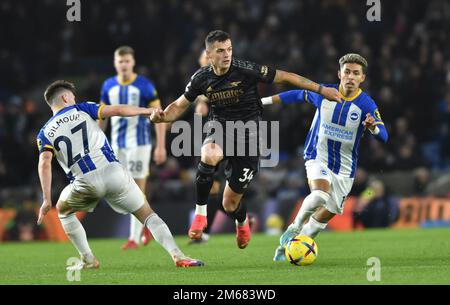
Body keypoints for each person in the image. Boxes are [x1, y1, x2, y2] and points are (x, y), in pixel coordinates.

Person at [150, 30, 341, 250]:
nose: (226, 54)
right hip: (220, 129)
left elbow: (286, 76)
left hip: (249, 138)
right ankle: (200, 215)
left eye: (229, 49)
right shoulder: (201, 78)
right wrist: (161, 116)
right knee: (208, 153)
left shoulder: (245, 70)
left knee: (229, 204)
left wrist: (320, 89)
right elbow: (178, 106)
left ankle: (242, 222)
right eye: (221, 51)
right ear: (209, 54)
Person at [36, 80, 203, 269]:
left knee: (64, 211)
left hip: (85, 183)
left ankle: (89, 259)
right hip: (114, 173)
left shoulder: (44, 134)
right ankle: (178, 256)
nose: (74, 100)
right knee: (147, 214)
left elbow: (44, 163)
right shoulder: (83, 109)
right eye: (72, 97)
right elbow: (119, 110)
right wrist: (148, 111)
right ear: (66, 97)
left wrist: (46, 199)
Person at [261, 53, 389, 261]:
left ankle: (290, 249)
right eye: (347, 72)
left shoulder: (366, 104)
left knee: (328, 212)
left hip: (345, 169)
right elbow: (295, 94)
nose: (350, 77)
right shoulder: (324, 93)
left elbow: (384, 136)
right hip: (317, 156)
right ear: (339, 73)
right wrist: (263, 101)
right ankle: (293, 229)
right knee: (320, 195)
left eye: (356, 73)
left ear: (362, 78)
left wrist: (374, 128)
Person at [100, 46, 167, 250]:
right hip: (115, 146)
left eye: (127, 61)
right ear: (115, 63)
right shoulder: (108, 85)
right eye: (120, 61)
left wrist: (161, 146)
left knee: (137, 189)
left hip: (140, 144)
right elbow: (102, 116)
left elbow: (160, 115)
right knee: (117, 190)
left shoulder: (144, 85)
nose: (124, 65)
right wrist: (96, 141)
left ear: (133, 62)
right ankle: (145, 222)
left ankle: (134, 238)